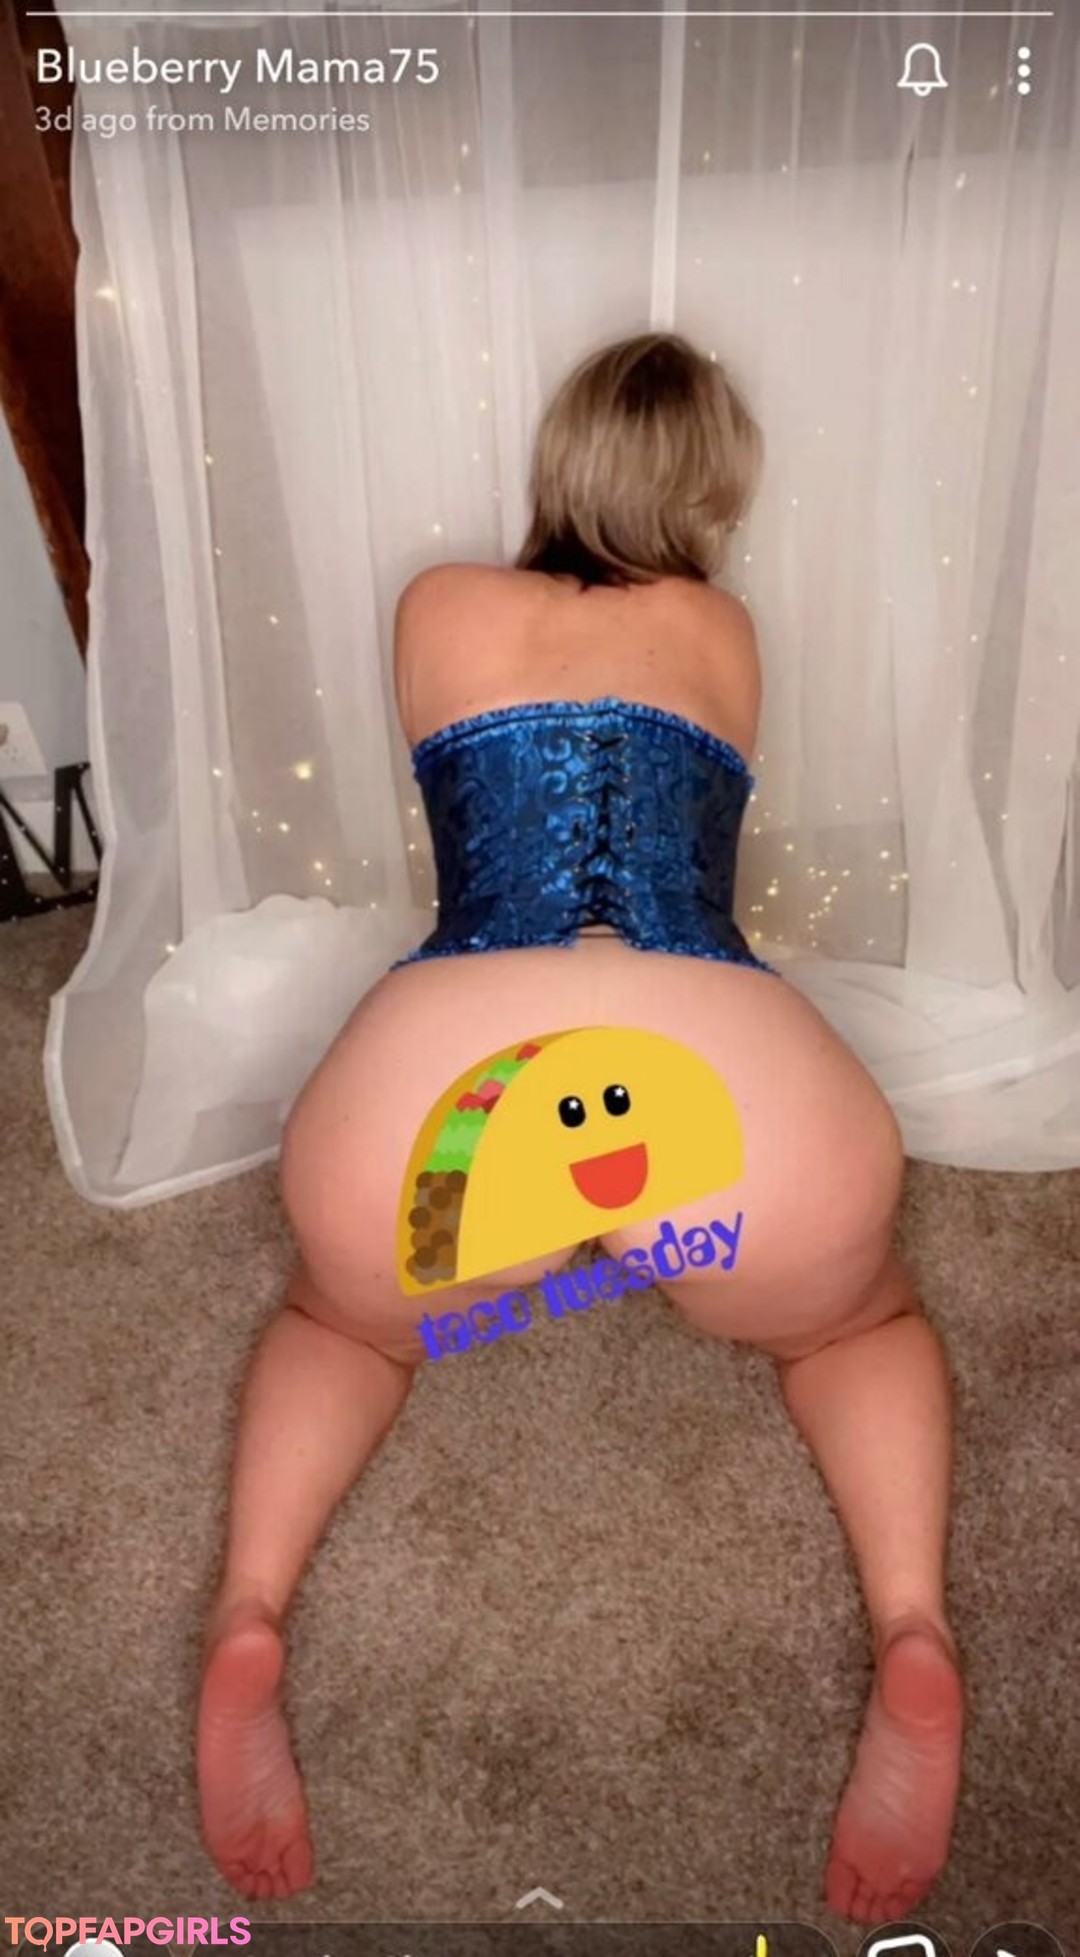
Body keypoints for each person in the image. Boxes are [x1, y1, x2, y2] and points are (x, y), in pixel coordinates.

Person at [196, 331, 963, 1922]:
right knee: (855, 1321)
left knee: (352, 1319)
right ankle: (914, 1626)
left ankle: (249, 1611)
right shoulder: (725, 631)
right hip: (722, 1095)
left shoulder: (434, 606)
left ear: (559, 460)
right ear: (710, 491)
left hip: (456, 1093)